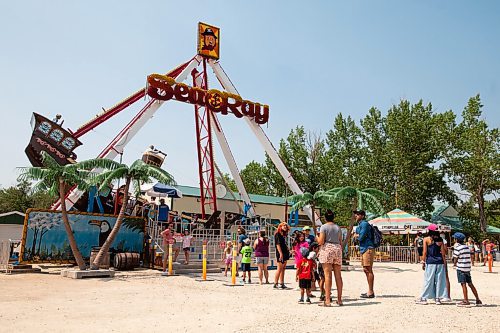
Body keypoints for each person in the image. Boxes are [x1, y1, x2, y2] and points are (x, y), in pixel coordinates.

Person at [416, 224, 448, 305]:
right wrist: (444, 263)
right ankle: (438, 298)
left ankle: (424, 298)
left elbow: (425, 252)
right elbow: (443, 253)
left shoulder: (426, 239)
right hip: (440, 262)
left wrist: (423, 262)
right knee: (439, 280)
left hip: (430, 262)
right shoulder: (441, 240)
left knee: (428, 280)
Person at [317, 210, 343, 307]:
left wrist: (317, 237)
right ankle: (339, 299)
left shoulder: (323, 227)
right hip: (337, 248)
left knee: (327, 275)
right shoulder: (337, 227)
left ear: (325, 218)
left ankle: (327, 300)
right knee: (338, 275)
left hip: (327, 248)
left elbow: (321, 241)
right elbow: (340, 240)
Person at [452, 233, 482, 307]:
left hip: (461, 268)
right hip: (467, 268)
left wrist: (454, 263)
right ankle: (477, 299)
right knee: (470, 284)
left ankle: (466, 300)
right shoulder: (467, 247)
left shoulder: (458, 248)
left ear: (456, 240)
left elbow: (455, 258)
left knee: (463, 284)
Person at [354, 210, 375, 298]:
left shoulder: (364, 224)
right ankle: (370, 290)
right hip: (364, 248)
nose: (356, 216)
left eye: (357, 214)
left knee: (368, 269)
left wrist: (357, 235)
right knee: (365, 269)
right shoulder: (360, 225)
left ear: (362, 215)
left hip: (367, 248)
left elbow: (361, 237)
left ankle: (371, 292)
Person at [274, 222, 290, 289]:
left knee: (283, 268)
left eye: (286, 226)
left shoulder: (283, 234)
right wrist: (280, 253)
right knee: (279, 268)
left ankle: (282, 283)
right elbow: (278, 244)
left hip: (285, 252)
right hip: (281, 253)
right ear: (280, 226)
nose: (285, 226)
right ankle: (275, 283)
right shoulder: (277, 234)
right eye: (284, 225)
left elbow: (283, 244)